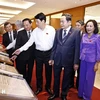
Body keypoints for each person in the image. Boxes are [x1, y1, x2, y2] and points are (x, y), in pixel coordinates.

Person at [12, 12, 55, 95]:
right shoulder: (35, 31)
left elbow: (54, 44)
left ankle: (48, 87)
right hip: (38, 53)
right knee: (38, 72)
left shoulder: (51, 29)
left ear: (43, 21)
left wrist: (53, 56)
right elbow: (29, 43)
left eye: (37, 22)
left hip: (48, 54)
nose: (36, 23)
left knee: (48, 71)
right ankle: (39, 87)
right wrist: (20, 50)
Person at [48, 13, 80, 100]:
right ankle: (55, 93)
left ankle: (64, 94)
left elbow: (77, 48)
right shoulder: (58, 31)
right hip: (57, 58)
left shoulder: (76, 32)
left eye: (63, 21)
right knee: (56, 77)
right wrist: (51, 57)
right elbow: (54, 46)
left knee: (66, 78)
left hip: (69, 59)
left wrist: (76, 62)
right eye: (60, 21)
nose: (61, 23)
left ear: (69, 22)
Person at [78, 19, 100, 100]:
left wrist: (97, 63)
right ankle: (80, 93)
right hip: (83, 59)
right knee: (82, 77)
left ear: (94, 27)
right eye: (87, 26)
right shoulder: (83, 36)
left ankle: (86, 96)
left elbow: (99, 50)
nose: (88, 28)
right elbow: (81, 48)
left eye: (91, 26)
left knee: (89, 79)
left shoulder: (97, 37)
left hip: (92, 61)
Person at [12, 18, 35, 86]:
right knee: (22, 71)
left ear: (31, 24)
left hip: (32, 56)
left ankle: (28, 83)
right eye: (24, 25)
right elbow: (17, 45)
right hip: (22, 56)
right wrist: (16, 54)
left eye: (27, 25)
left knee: (30, 70)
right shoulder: (20, 33)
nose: (25, 27)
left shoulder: (35, 32)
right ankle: (22, 84)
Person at [75, 20, 85, 90]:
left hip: (81, 56)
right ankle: (70, 84)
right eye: (76, 25)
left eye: (78, 25)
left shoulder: (85, 35)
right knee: (71, 70)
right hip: (74, 55)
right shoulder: (73, 33)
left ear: (82, 26)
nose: (77, 27)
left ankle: (78, 85)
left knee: (80, 72)